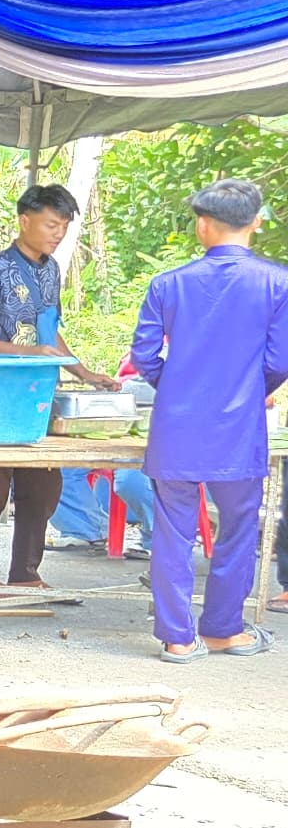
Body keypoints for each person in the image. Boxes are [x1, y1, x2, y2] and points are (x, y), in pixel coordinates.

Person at [129, 179, 288, 661]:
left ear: (202, 225)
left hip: (175, 429)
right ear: (256, 222)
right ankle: (223, 628)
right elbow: (279, 360)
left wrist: (177, 387)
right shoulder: (278, 283)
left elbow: (144, 355)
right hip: (238, 430)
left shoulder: (168, 284)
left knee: (172, 532)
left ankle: (177, 638)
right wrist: (247, 392)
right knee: (238, 528)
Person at [0, 184, 121, 587]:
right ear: (25, 221)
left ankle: (25, 574)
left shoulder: (51, 270)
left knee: (41, 487)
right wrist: (25, 353)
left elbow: (48, 332)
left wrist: (83, 372)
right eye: (51, 225)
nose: (58, 234)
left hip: (38, 398)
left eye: (64, 227)